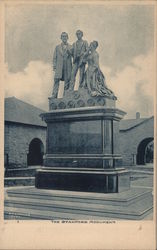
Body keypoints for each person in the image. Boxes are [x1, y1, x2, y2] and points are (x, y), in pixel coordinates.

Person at [52, 32, 72, 98]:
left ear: (68, 38)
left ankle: (65, 96)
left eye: (66, 36)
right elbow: (55, 57)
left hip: (67, 67)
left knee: (67, 81)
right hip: (59, 67)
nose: (64, 38)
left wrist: (70, 53)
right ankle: (54, 95)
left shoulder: (71, 47)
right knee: (56, 80)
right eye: (63, 36)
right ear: (61, 38)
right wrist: (54, 66)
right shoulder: (57, 47)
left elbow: (74, 56)